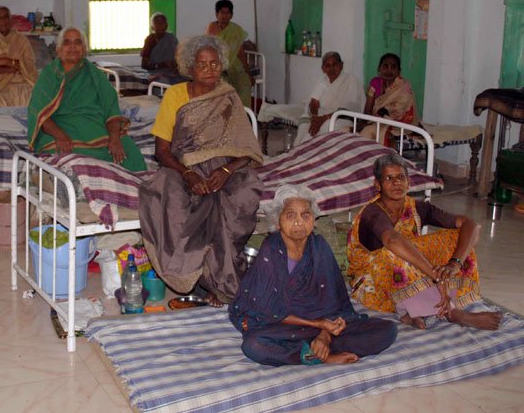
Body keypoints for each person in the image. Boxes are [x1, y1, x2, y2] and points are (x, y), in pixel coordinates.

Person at [139, 35, 263, 307]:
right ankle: (202, 281)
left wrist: (227, 169)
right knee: (169, 198)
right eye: (202, 64)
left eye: (215, 63)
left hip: (225, 168)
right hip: (184, 166)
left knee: (244, 192)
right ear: (190, 67)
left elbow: (246, 148)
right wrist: (188, 174)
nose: (209, 69)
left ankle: (221, 285)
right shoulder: (175, 95)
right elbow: (162, 150)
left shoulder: (227, 95)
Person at [229, 185, 397, 366]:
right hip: (285, 326)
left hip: (322, 327)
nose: (299, 222)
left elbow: (333, 304)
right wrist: (319, 325)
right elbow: (269, 311)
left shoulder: (319, 247)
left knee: (388, 329)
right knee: (254, 345)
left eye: (306, 215)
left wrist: (325, 335)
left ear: (313, 220)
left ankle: (317, 348)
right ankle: (317, 357)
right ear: (278, 222)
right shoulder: (271, 249)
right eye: (290, 215)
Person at [348, 153, 502, 330]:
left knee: (451, 237)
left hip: (406, 274)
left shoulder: (417, 207)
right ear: (378, 184)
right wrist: (436, 277)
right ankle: (451, 313)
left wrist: (454, 264)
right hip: (370, 284)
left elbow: (471, 225)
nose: (396, 183)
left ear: (409, 182)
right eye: (389, 178)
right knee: (395, 252)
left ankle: (417, 309)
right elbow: (392, 240)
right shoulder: (372, 212)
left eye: (401, 177)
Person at [28, 27, 147, 172]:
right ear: (58, 50)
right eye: (67, 42)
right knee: (65, 158)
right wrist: (60, 136)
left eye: (77, 42)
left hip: (96, 128)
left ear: (84, 49)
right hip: (61, 128)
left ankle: (134, 188)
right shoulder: (48, 75)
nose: (72, 47)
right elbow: (39, 112)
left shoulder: (95, 75)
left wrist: (114, 138)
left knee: (129, 149)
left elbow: (111, 110)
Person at [294, 51, 364, 145]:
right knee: (304, 122)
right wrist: (315, 118)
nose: (331, 69)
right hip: (321, 116)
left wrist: (323, 119)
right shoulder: (323, 80)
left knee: (325, 127)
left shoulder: (352, 82)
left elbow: (348, 111)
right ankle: (299, 150)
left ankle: (313, 154)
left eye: (335, 64)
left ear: (341, 65)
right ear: (323, 69)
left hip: (342, 119)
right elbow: (314, 101)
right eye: (328, 65)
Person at [360, 53, 417, 146]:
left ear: (399, 71)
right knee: (352, 130)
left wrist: (384, 114)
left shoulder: (404, 87)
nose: (389, 70)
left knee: (371, 132)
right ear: (379, 69)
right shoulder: (375, 83)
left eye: (393, 67)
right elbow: (368, 109)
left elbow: (400, 110)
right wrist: (362, 123)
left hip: (399, 123)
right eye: (385, 66)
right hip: (376, 120)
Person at [205, 0, 253, 107]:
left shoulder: (236, 30)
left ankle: (243, 116)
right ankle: (226, 118)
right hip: (219, 67)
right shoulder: (212, 27)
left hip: (235, 66)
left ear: (231, 15)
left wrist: (248, 73)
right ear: (217, 14)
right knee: (224, 88)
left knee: (245, 84)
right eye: (222, 13)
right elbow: (207, 48)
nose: (224, 16)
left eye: (227, 13)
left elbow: (241, 52)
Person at [140, 12, 181, 84]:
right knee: (163, 82)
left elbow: (178, 59)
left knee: (188, 79)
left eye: (162, 23)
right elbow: (144, 65)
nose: (160, 25)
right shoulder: (150, 40)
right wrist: (162, 64)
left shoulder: (172, 39)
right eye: (157, 23)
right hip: (155, 73)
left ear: (166, 25)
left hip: (171, 72)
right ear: (152, 26)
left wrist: (175, 67)